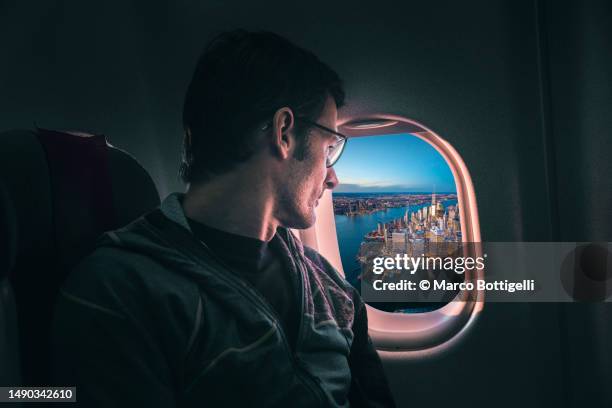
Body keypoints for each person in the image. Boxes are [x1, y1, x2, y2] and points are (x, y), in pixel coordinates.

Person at [52, 30, 396, 407]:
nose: (333, 177)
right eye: (329, 149)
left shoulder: (331, 287)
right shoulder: (119, 293)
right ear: (283, 133)